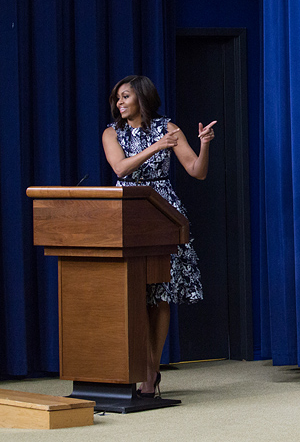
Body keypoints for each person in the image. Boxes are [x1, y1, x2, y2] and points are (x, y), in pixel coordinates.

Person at [102, 75, 216, 397]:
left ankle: (151, 373)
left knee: (160, 293)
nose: (120, 103)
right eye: (118, 99)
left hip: (164, 212)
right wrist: (155, 147)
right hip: (129, 212)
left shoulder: (169, 128)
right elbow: (121, 169)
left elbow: (197, 170)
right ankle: (142, 367)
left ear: (142, 97)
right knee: (136, 294)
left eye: (125, 97)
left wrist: (204, 144)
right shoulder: (112, 133)